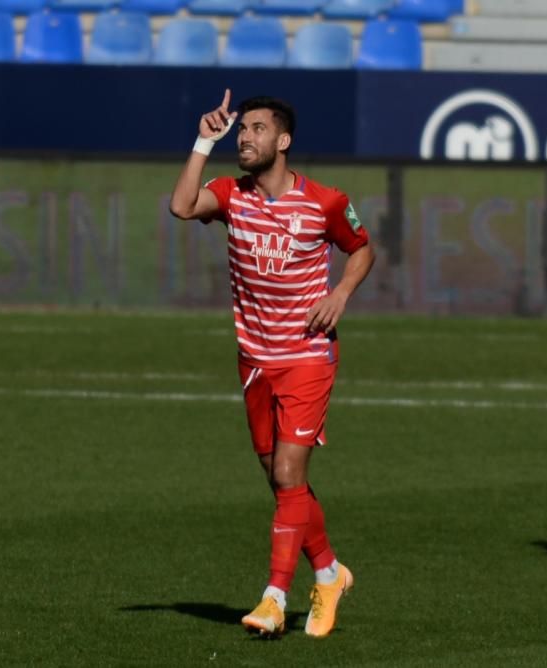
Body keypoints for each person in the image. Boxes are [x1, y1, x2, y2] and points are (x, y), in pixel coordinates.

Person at [169, 90, 374, 636]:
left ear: (282, 141)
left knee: (288, 473)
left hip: (307, 354)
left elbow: (362, 248)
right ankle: (329, 572)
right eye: (241, 130)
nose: (245, 137)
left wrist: (341, 294)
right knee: (279, 478)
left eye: (257, 129)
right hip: (255, 359)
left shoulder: (325, 201)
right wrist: (202, 141)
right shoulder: (230, 195)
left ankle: (274, 599)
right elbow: (181, 206)